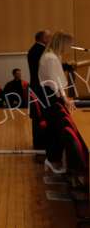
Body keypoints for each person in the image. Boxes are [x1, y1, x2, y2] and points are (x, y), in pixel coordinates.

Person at [38, 31, 89, 174]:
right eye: (69, 44)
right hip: (51, 96)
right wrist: (65, 98)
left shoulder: (52, 56)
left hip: (51, 95)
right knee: (55, 130)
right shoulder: (51, 58)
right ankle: (52, 160)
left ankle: (53, 159)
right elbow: (56, 82)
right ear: (62, 43)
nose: (70, 47)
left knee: (55, 129)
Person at [28, 30, 51, 151]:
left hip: (37, 88)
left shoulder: (35, 49)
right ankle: (41, 145)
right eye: (48, 36)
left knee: (38, 117)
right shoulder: (40, 50)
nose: (50, 38)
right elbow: (49, 68)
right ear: (42, 38)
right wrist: (67, 66)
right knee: (41, 116)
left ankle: (39, 144)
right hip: (41, 90)